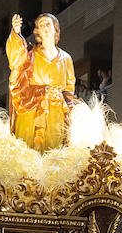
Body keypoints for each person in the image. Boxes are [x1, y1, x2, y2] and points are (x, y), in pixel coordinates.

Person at [6, 13, 77, 151]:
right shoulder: (30, 54)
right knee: (29, 152)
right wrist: (16, 33)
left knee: (53, 153)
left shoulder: (66, 58)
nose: (45, 27)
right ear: (37, 31)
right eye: (41, 25)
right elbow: (15, 59)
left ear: (55, 28)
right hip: (32, 109)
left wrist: (69, 113)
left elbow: (69, 88)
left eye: (48, 24)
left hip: (56, 113)